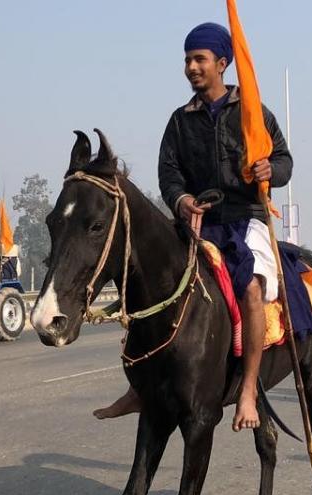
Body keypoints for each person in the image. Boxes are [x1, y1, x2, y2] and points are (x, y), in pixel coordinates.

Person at [94, 22, 294, 432]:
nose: (191, 67)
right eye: (187, 59)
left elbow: (285, 161)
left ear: (222, 63)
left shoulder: (254, 113)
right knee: (149, 286)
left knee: (252, 290)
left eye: (199, 59)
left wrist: (269, 168)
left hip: (244, 220)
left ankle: (250, 389)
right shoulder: (179, 121)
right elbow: (168, 174)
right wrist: (182, 200)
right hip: (198, 224)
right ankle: (141, 385)